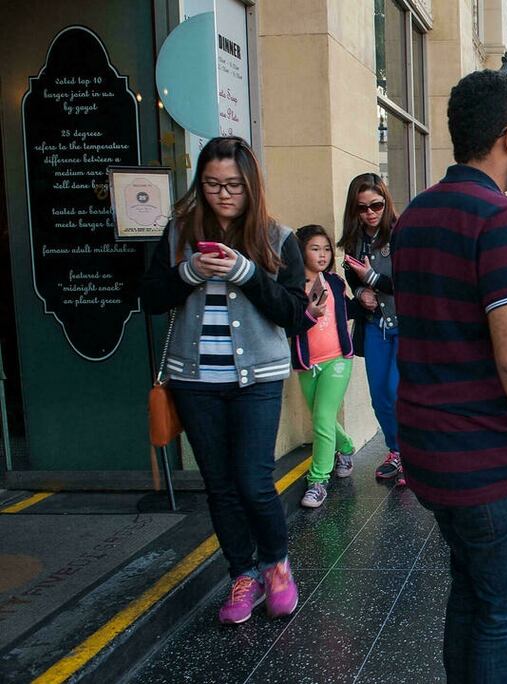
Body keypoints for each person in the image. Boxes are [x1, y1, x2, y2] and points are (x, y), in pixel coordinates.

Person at [392, 69, 507, 682]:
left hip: (430, 454)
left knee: (471, 596)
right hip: (490, 464)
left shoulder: (412, 216)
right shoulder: (503, 219)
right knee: (505, 616)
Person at [139, 136, 306, 624]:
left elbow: (293, 313)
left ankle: (277, 566)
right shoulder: (177, 234)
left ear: (251, 185)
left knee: (254, 480)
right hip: (194, 380)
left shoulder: (279, 238)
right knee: (219, 484)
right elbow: (149, 298)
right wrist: (189, 270)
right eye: (212, 184)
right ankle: (242, 573)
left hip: (258, 378)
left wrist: (247, 272)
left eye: (233, 184)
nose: (223, 194)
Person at [337, 173, 401, 484]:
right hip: (375, 325)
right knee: (379, 395)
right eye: (363, 208)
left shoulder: (400, 233)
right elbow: (352, 276)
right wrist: (360, 291)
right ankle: (397, 451)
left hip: (405, 325)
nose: (371, 213)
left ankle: (413, 453)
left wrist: (371, 279)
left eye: (376, 205)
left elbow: (408, 282)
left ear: (386, 203)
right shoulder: (354, 238)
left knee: (395, 389)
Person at [289, 225, 357, 508]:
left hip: (338, 360)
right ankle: (346, 447)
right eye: (315, 248)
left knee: (321, 419)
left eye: (326, 249)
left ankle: (318, 481)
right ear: (299, 251)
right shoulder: (291, 286)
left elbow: (348, 310)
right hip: (307, 363)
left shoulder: (335, 282)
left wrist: (367, 298)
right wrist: (306, 311)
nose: (322, 254)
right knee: (322, 417)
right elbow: (287, 322)